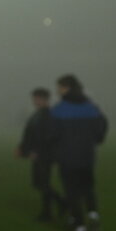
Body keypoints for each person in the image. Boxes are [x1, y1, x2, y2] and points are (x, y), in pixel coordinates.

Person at [52, 75, 108, 231]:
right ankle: (93, 217)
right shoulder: (90, 106)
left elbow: (53, 134)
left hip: (67, 156)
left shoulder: (59, 109)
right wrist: (97, 139)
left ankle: (80, 227)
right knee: (88, 188)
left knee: (72, 192)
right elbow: (102, 124)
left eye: (59, 87)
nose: (57, 91)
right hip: (87, 155)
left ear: (66, 87)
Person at [16, 88, 66, 221]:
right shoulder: (37, 114)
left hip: (44, 155)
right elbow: (29, 134)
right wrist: (22, 148)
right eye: (34, 98)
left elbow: (48, 137)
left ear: (44, 99)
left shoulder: (48, 115)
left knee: (43, 183)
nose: (34, 101)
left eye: (36, 98)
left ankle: (50, 210)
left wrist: (35, 151)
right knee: (39, 183)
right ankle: (56, 206)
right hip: (38, 154)